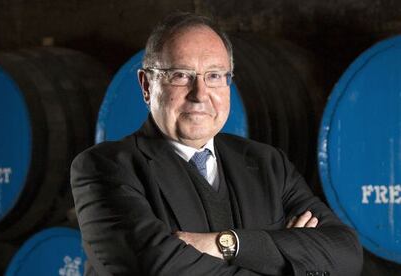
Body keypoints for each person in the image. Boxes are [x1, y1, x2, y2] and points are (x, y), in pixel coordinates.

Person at [71, 12, 363, 276]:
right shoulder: (104, 168)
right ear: (147, 86)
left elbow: (346, 253)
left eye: (214, 76)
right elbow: (158, 267)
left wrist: (228, 244)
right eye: (181, 75)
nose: (200, 94)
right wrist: (285, 257)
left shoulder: (267, 163)